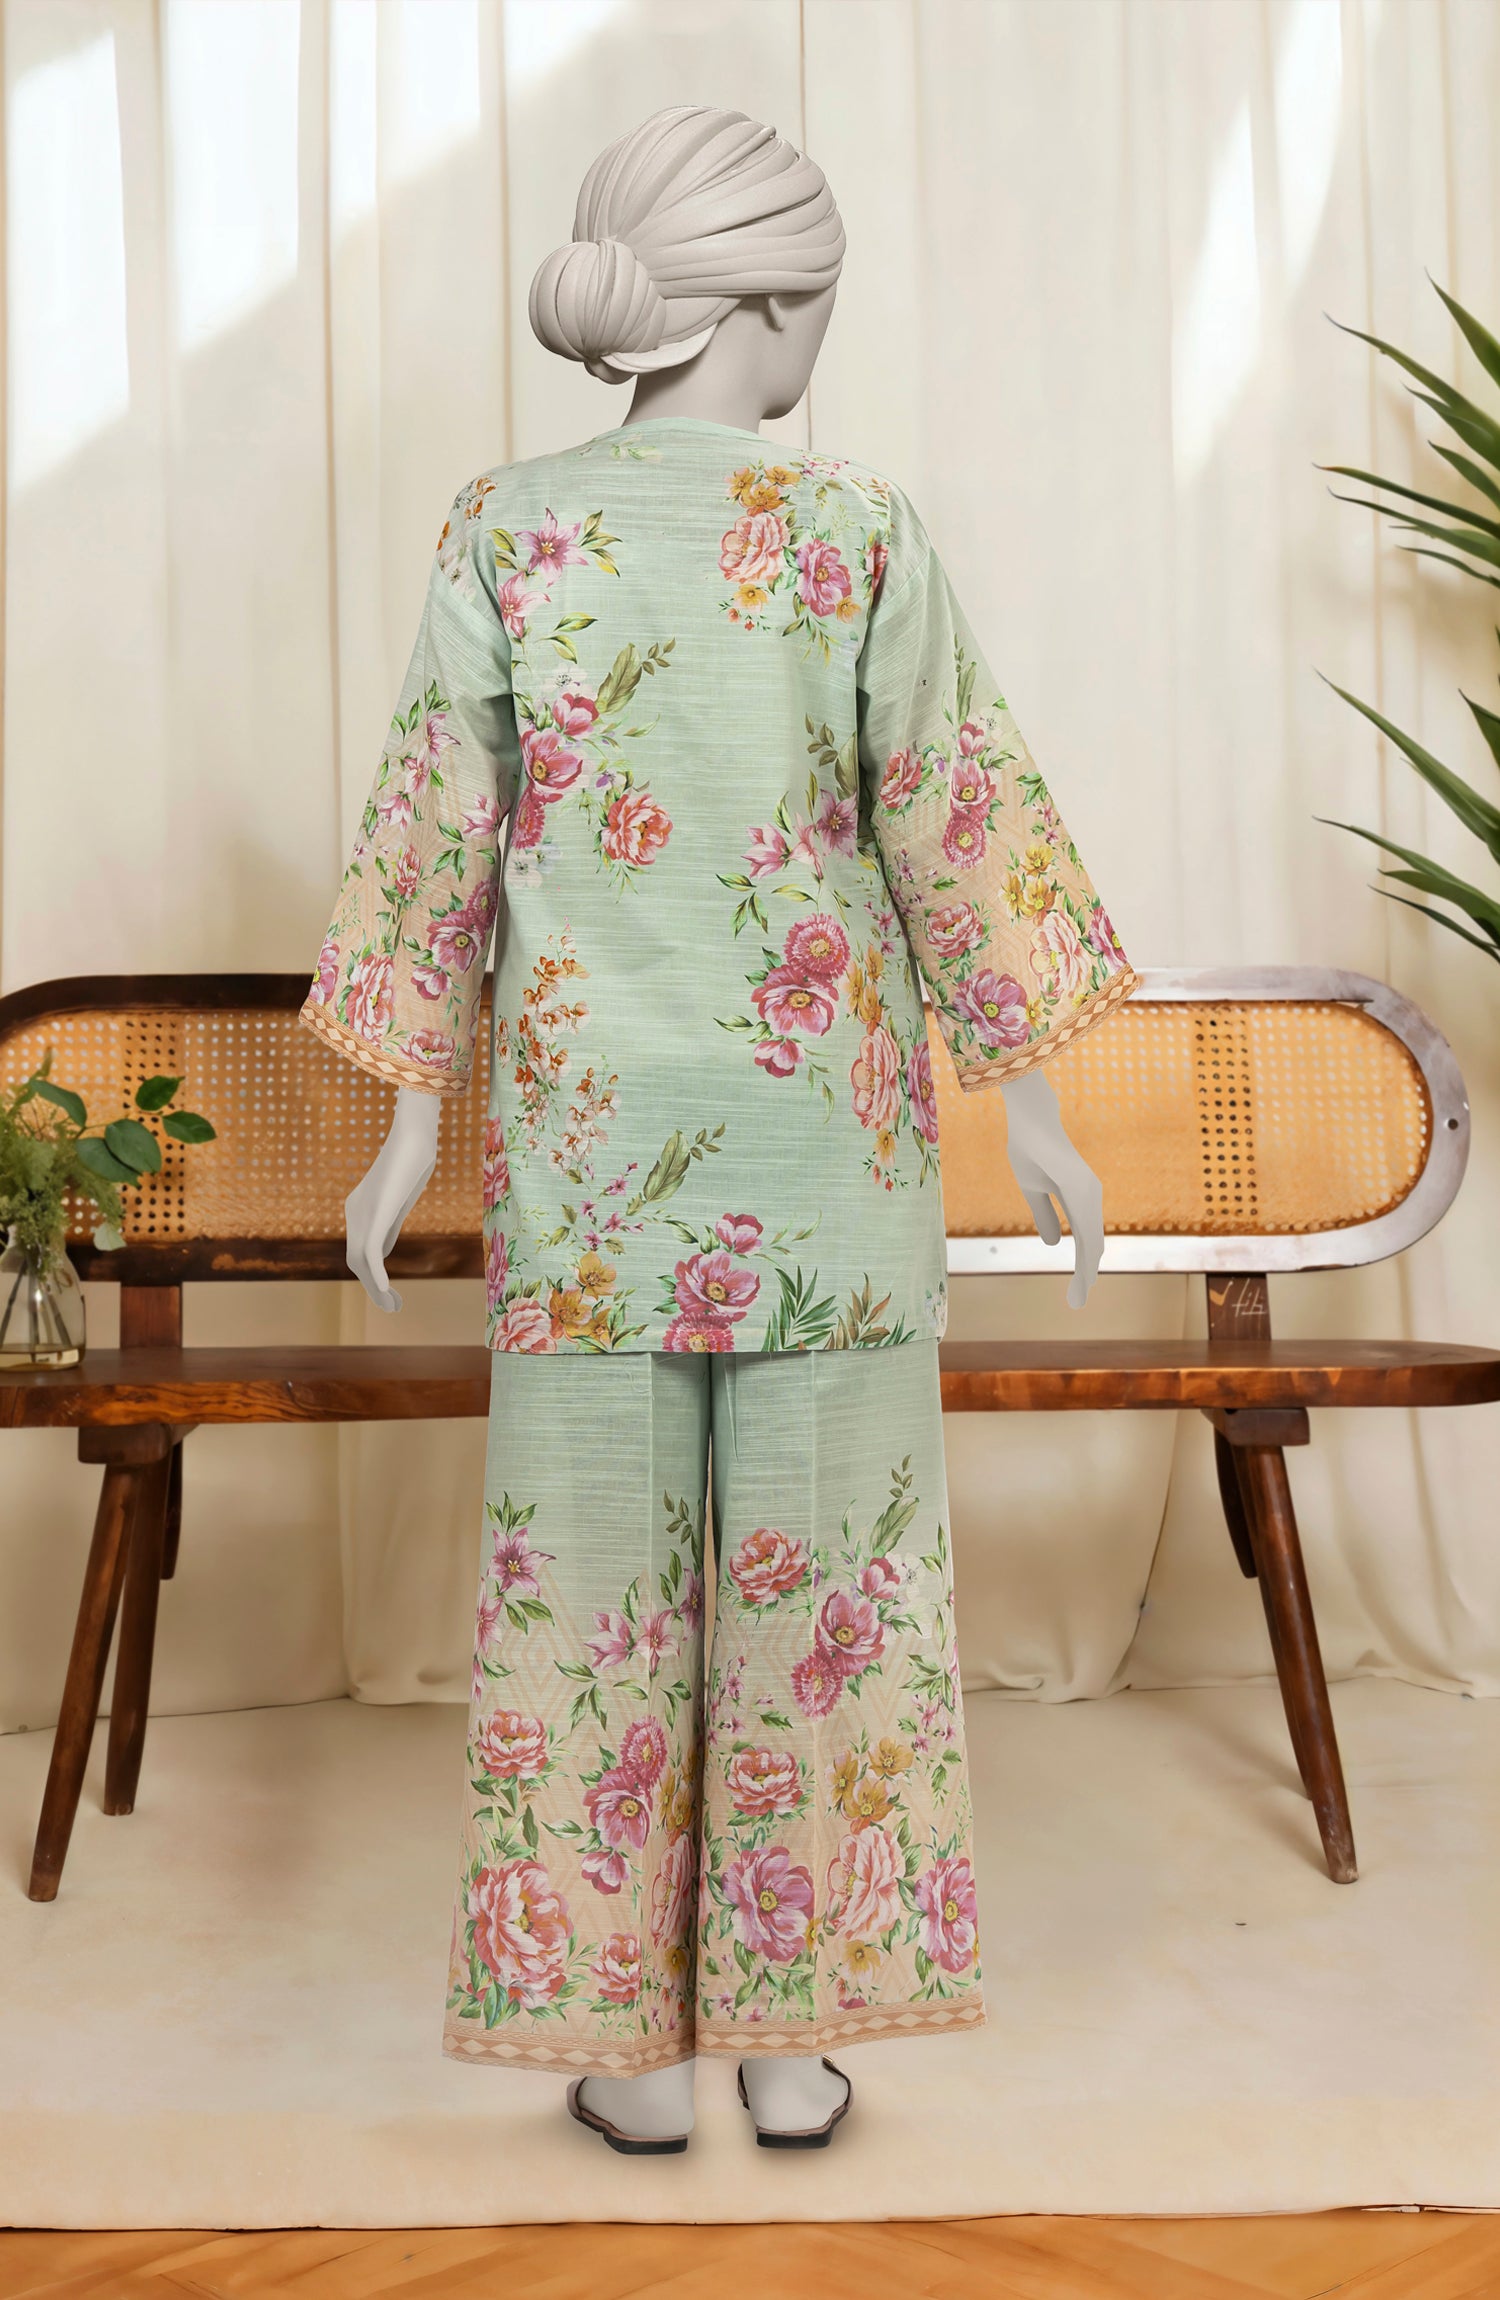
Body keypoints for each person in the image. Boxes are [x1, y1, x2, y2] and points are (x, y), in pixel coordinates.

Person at [301, 102, 1136, 2155]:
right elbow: (952, 826)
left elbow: (436, 841)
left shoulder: (506, 531)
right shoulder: (860, 534)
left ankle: (628, 2051)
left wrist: (408, 1128)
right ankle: (793, 2033)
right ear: (770, 304)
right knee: (826, 1597)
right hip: (825, 1166)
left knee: (584, 1603)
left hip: (589, 1168)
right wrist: (1030, 1109)